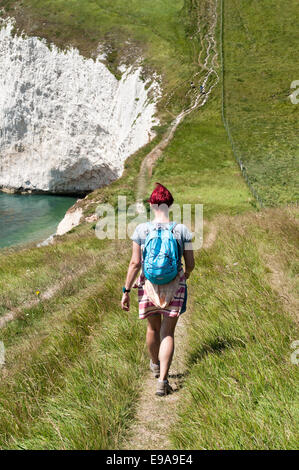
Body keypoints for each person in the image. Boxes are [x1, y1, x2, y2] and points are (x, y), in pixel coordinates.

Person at [121, 183, 195, 396]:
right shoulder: (181, 230)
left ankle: (155, 364)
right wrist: (186, 274)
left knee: (153, 329)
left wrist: (126, 290)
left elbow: (135, 263)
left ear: (152, 205)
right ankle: (163, 381)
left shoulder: (141, 230)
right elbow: (190, 263)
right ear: (169, 205)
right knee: (168, 332)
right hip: (175, 285)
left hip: (149, 285)